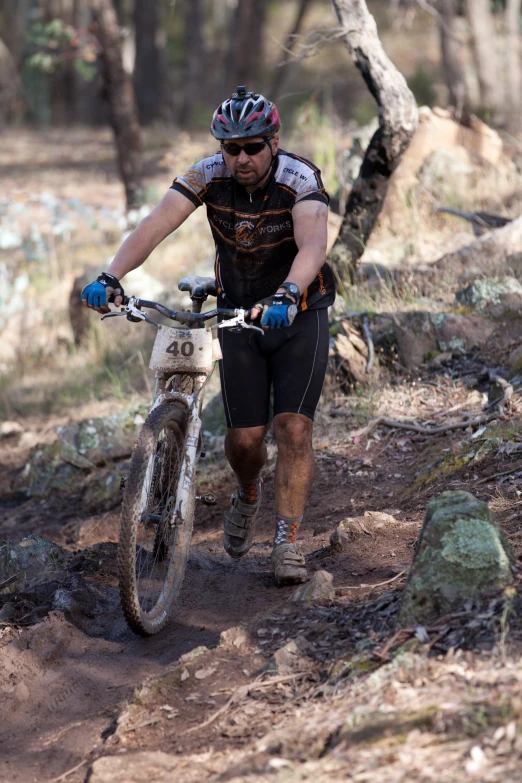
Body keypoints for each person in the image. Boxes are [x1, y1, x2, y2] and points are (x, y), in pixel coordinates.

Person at [81, 86, 335, 586]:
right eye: (231, 147)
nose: (241, 158)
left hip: (297, 312)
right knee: (244, 441)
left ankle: (286, 543)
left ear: (274, 142)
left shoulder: (299, 177)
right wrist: (112, 276)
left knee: (293, 429)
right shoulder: (206, 174)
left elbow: (314, 243)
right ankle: (248, 492)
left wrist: (287, 293)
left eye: (252, 146)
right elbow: (157, 223)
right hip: (237, 311)